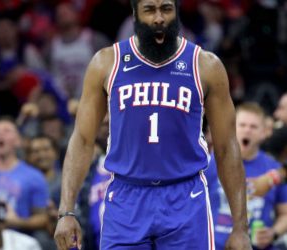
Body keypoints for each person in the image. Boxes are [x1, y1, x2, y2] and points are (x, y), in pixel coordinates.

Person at [54, 0, 251, 249]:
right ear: (135, 14)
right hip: (126, 197)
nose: (159, 18)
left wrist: (240, 228)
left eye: (166, 9)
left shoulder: (205, 66)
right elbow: (82, 139)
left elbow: (226, 148)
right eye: (149, 10)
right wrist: (66, 212)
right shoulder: (106, 63)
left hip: (185, 198)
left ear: (176, 12)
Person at [207, 102, 287, 250]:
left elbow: (285, 213)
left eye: (253, 127)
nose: (247, 130)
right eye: (242, 125)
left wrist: (273, 233)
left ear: (264, 132)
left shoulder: (274, 168)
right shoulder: (210, 163)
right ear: (232, 128)